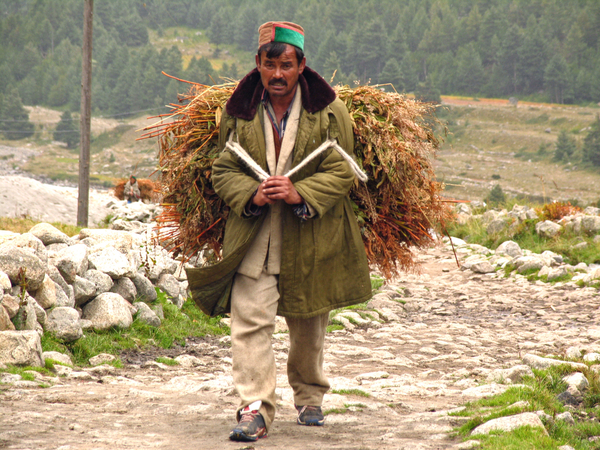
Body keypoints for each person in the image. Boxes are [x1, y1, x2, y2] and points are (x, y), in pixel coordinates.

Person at [204, 21, 372, 442]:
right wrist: (252, 193)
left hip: (312, 236)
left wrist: (299, 192)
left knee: (308, 323)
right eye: (269, 64)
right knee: (249, 322)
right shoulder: (239, 110)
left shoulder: (329, 111)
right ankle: (254, 409)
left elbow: (342, 169)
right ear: (257, 64)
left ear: (301, 66)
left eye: (286, 65)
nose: (277, 74)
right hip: (254, 237)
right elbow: (222, 167)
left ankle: (310, 393)